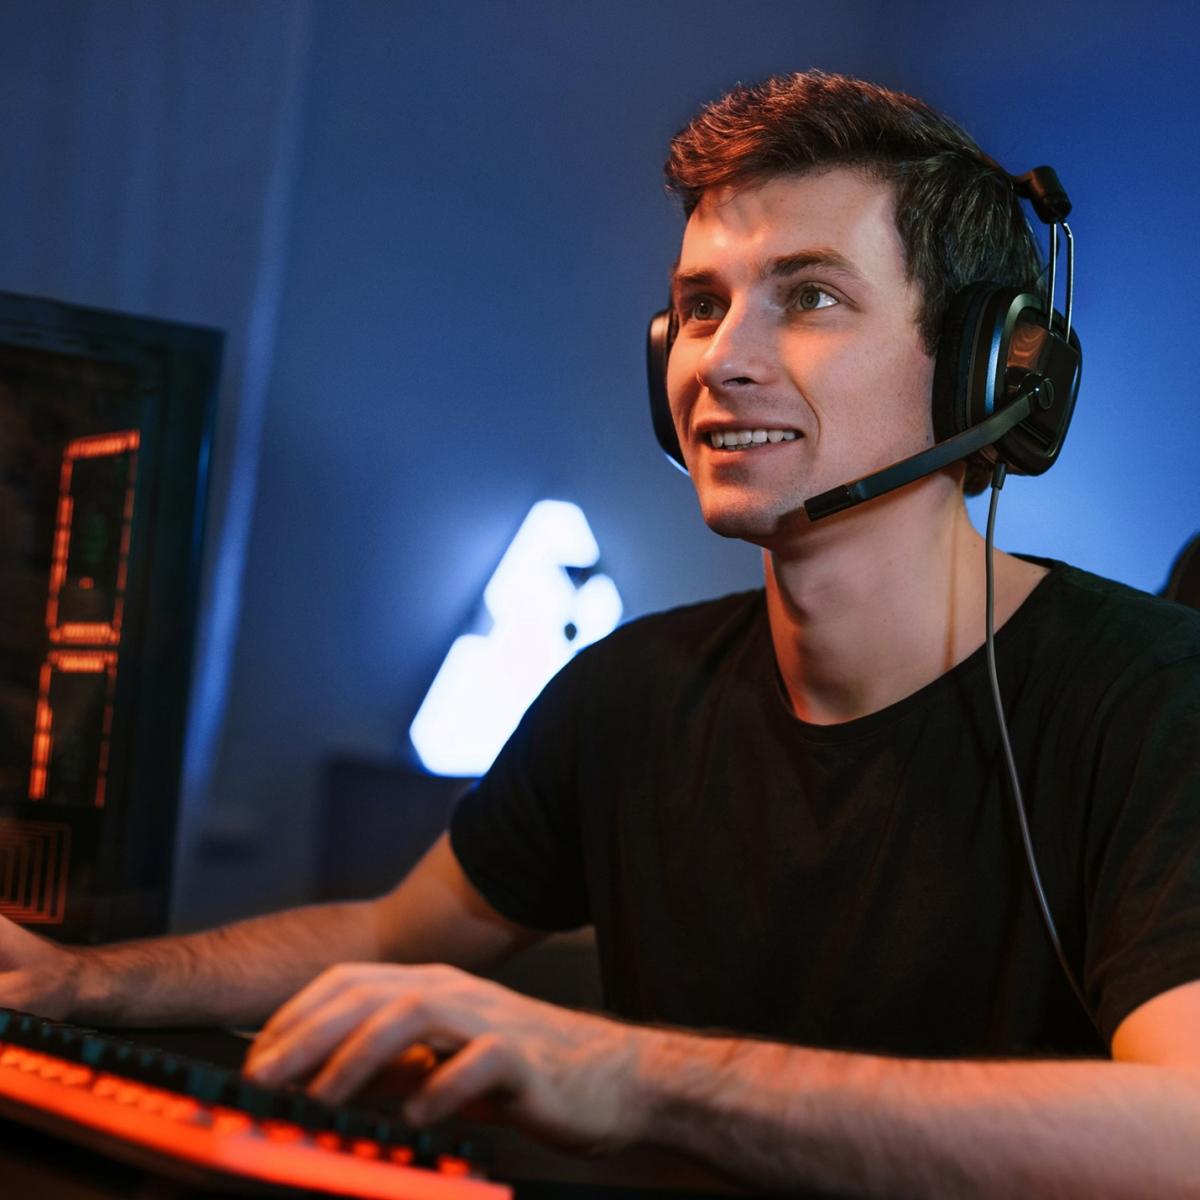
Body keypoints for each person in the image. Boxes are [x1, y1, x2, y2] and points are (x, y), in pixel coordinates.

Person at [3, 71, 1200, 1196]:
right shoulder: (630, 690)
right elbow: (386, 933)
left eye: (812, 296)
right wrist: (83, 985)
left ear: (991, 372)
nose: (721, 360)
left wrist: (638, 1077)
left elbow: (1183, 1132)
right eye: (698, 308)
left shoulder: (1152, 700)